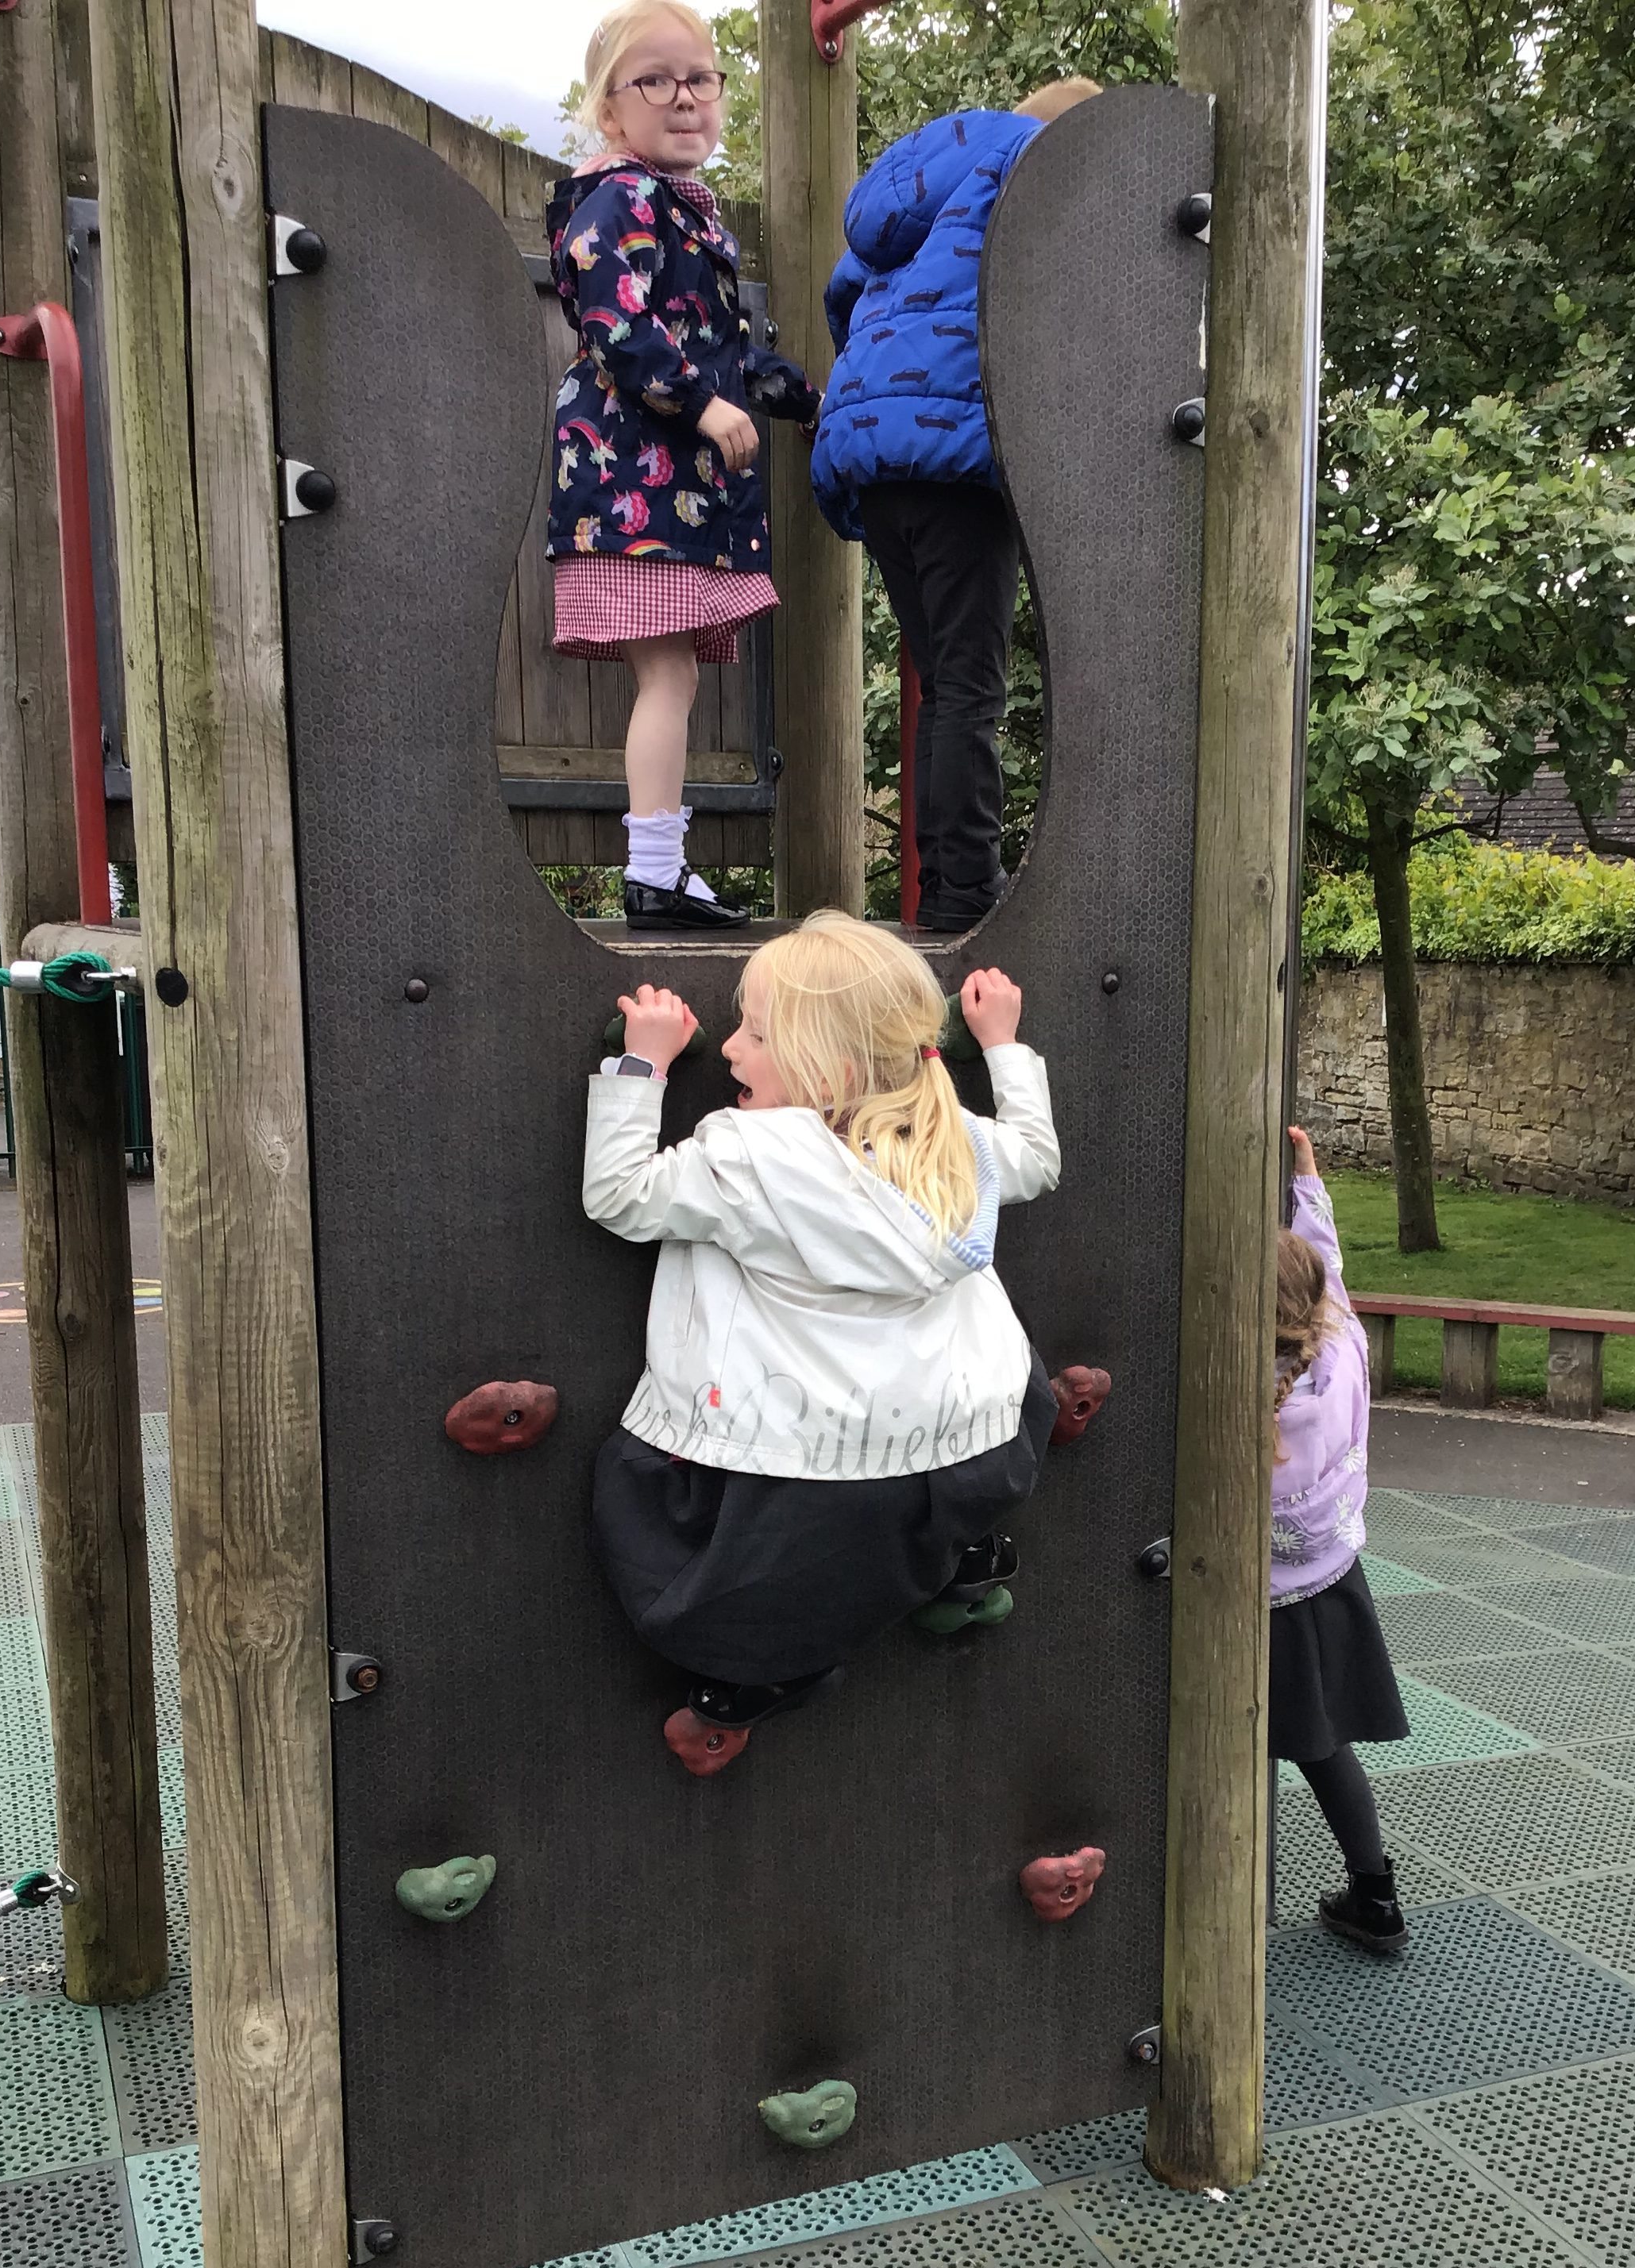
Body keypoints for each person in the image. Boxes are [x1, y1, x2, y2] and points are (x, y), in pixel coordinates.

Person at [583, 912, 1061, 1772]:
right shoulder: (955, 1141)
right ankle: (959, 1555)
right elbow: (1037, 1156)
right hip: (978, 1434)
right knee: (922, 1496)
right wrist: (1003, 1047)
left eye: (757, 1034)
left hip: (805, 1470)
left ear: (830, 1067)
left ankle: (768, 1672)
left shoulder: (747, 1157)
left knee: (694, 1546)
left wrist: (641, 1064)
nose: (732, 1048)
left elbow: (619, 1196)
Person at [547, 3, 820, 929]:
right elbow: (616, 324)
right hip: (631, 485)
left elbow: (721, 349)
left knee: (675, 679)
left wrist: (806, 401)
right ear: (610, 111)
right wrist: (703, 404)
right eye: (655, 81)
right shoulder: (620, 198)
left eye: (700, 78)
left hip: (661, 489)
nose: (684, 97)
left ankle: (660, 866)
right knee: (668, 678)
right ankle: (655, 873)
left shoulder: (675, 209)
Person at [810, 79, 1100, 934]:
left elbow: (841, 296)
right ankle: (967, 882)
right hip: (958, 453)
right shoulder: (1034, 168)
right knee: (972, 684)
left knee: (943, 681)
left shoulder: (917, 185)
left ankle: (946, 885)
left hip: (878, 461)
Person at [1270, 1128, 1411, 1954]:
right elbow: (1325, 1261)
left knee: (1229, 1739)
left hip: (1263, 1605)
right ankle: (1375, 1895)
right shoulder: (1345, 1342)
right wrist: (1308, 1183)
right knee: (1326, 1753)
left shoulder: (1251, 1409)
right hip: (1331, 1581)